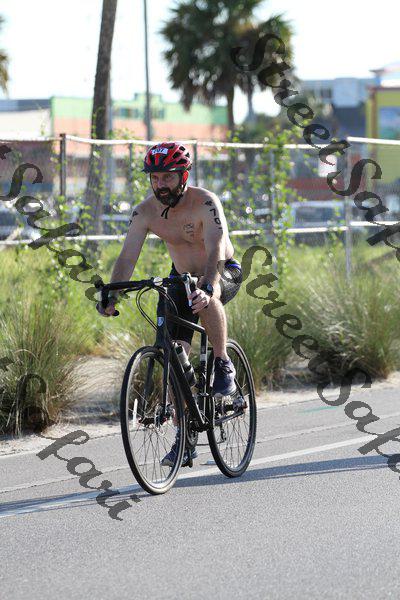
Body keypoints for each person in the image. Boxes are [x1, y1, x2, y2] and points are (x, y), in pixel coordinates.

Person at [97, 141, 243, 467]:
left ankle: (222, 362)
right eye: (155, 178)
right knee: (173, 355)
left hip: (221, 269)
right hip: (181, 277)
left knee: (204, 297)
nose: (160, 184)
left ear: (183, 176)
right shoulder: (145, 212)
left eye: (167, 177)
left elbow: (216, 247)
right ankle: (185, 434)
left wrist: (209, 285)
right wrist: (112, 292)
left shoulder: (205, 201)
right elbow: (127, 257)